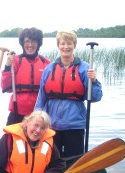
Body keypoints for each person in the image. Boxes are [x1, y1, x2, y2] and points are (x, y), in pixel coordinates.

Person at [35, 30, 103, 158]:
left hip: (74, 124)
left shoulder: (84, 68)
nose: (66, 47)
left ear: (74, 45)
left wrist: (93, 81)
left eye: (69, 43)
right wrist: (35, 119)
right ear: (58, 46)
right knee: (52, 159)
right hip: (52, 124)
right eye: (63, 43)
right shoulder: (49, 69)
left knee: (74, 159)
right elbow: (41, 98)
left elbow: (95, 97)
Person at [1, 27, 50, 125]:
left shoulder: (45, 63)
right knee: (12, 139)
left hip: (38, 113)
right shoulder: (15, 61)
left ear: (38, 44)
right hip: (17, 111)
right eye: (27, 41)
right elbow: (6, 87)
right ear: (23, 43)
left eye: (34, 41)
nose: (30, 45)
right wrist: (7, 66)